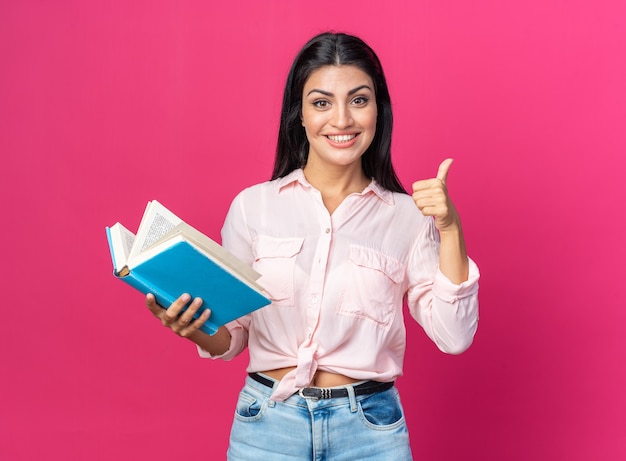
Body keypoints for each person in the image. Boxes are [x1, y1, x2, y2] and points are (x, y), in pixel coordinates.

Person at [145, 32, 479, 460]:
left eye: (359, 100)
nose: (341, 119)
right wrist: (195, 327)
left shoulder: (408, 217)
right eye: (322, 103)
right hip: (267, 428)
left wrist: (450, 227)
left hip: (370, 432)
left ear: (379, 110)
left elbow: (454, 336)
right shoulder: (253, 207)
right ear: (299, 115)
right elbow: (233, 337)